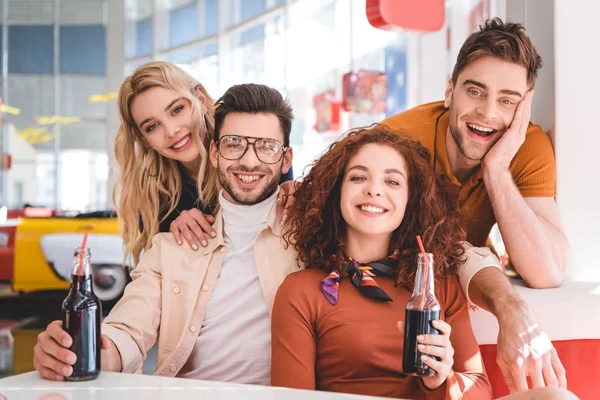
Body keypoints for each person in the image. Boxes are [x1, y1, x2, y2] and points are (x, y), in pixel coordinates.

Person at [271, 126, 578, 400]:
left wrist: (440, 380)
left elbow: (480, 390)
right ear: (335, 192)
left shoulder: (438, 284)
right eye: (358, 177)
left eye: (392, 181)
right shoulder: (302, 291)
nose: (374, 189)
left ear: (411, 201)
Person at [33, 83, 300, 383]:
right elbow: (129, 325)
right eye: (234, 143)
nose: (249, 161)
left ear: (286, 159)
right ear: (214, 152)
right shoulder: (171, 245)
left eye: (266, 146)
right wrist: (88, 352)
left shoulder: (314, 234)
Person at [381, 18, 569, 392]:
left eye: (507, 100)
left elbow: (547, 272)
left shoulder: (527, 148)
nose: (487, 113)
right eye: (475, 91)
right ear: (450, 91)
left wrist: (496, 170)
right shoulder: (397, 141)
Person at [112, 61, 293, 265]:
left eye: (176, 110)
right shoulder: (152, 198)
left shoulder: (260, 155)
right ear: (145, 139)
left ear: (199, 98)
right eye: (153, 126)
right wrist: (175, 233)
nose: (171, 130)